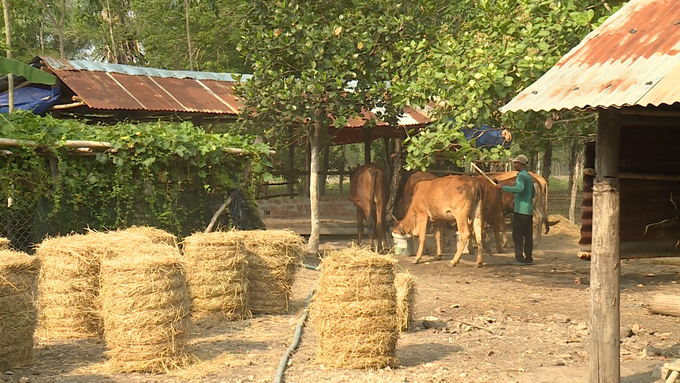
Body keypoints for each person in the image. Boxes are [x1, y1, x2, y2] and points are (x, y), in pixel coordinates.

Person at [496, 154, 535, 264]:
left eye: (516, 163)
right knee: (528, 235)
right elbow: (532, 193)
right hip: (528, 209)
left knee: (517, 234)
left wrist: (503, 187)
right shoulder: (529, 176)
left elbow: (520, 188)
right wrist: (516, 199)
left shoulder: (521, 176)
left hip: (520, 210)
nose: (514, 165)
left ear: (522, 164)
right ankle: (529, 258)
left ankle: (519, 257)